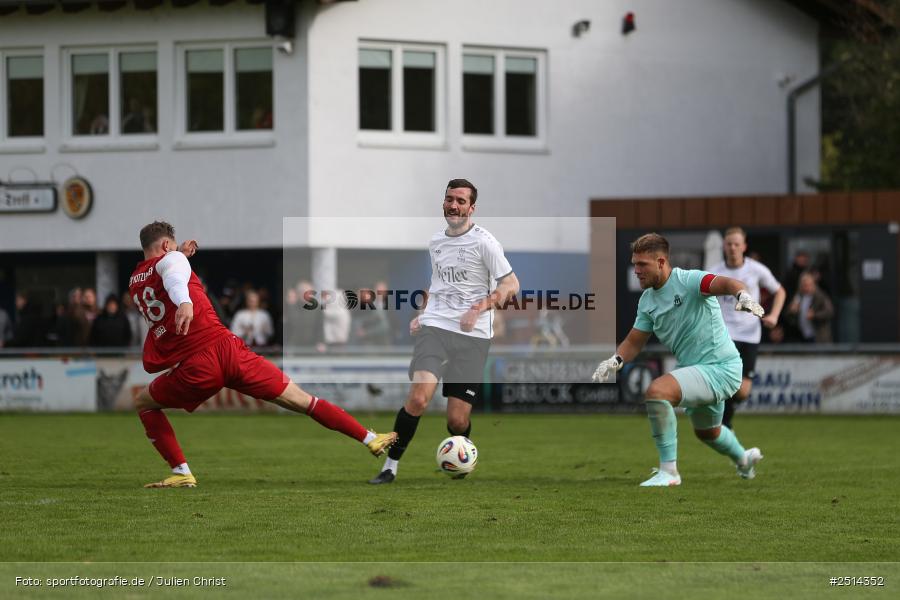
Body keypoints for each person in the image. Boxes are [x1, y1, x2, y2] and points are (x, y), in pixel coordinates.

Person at [129, 221, 396, 488]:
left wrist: (181, 259)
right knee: (304, 401)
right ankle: (368, 438)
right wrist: (185, 300)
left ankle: (181, 471)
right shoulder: (173, 260)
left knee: (144, 403)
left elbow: (168, 272)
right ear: (166, 246)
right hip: (229, 349)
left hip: (198, 366)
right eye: (173, 247)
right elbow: (174, 275)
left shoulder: (135, 282)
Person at [369, 179, 520, 484]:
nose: (454, 205)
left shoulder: (485, 242)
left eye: (461, 201)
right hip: (436, 329)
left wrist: (478, 308)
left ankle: (462, 456)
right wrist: (424, 314)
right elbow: (438, 285)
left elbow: (511, 286)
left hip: (473, 335)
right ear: (443, 203)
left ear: (471, 208)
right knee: (419, 398)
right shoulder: (436, 241)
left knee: (457, 419)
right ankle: (390, 467)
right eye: (449, 199)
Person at [592, 233, 764, 487]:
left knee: (657, 391)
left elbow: (729, 283)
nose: (636, 270)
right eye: (634, 264)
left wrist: (743, 296)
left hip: (721, 368)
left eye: (642, 265)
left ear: (661, 262)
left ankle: (669, 472)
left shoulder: (689, 280)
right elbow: (633, 342)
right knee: (708, 432)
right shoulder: (647, 301)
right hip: (696, 370)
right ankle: (743, 459)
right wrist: (615, 360)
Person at [709, 227, 786, 430]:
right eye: (729, 244)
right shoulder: (715, 272)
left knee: (743, 392)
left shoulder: (756, 269)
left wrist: (774, 316)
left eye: (736, 244)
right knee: (727, 381)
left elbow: (780, 291)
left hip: (751, 336)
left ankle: (725, 419)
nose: (733, 248)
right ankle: (722, 425)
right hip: (725, 335)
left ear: (744, 246)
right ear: (724, 246)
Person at [786, 272, 834, 343]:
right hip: (802, 336)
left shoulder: (820, 296)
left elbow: (829, 312)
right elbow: (788, 316)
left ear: (813, 284)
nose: (807, 287)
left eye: (809, 285)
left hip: (818, 337)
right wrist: (792, 311)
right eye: (804, 285)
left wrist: (814, 315)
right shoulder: (799, 296)